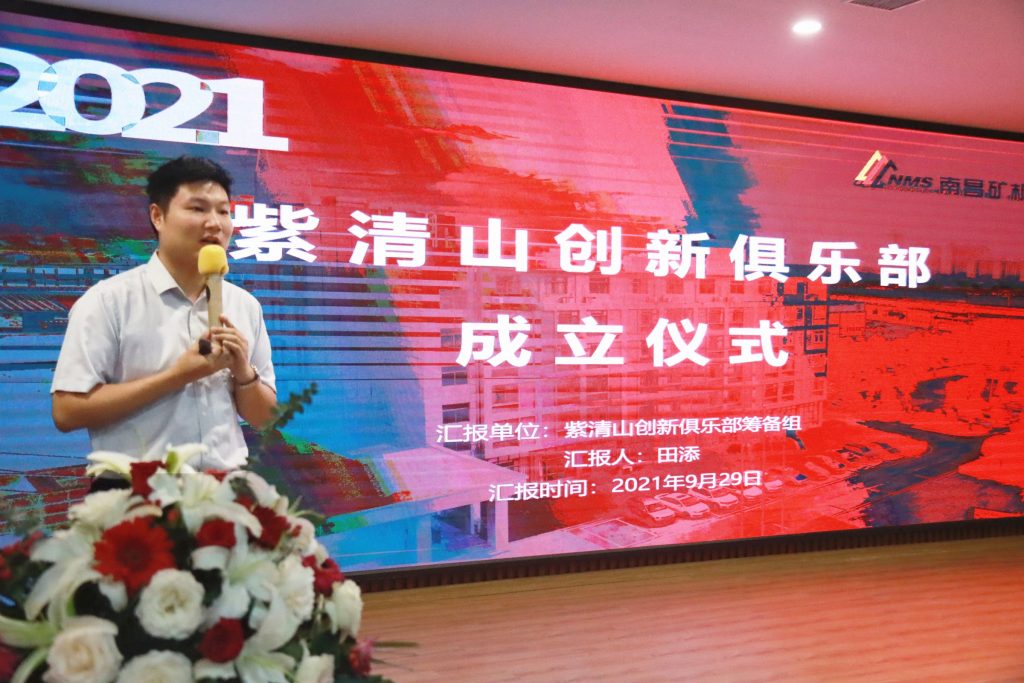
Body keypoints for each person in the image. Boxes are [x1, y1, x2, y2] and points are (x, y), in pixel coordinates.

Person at [51, 156, 277, 472]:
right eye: (198, 209)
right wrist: (177, 376)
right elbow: (67, 412)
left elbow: (265, 419)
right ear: (158, 216)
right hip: (136, 487)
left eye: (223, 211)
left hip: (226, 487)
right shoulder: (109, 301)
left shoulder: (244, 305)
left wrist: (243, 372)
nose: (215, 223)